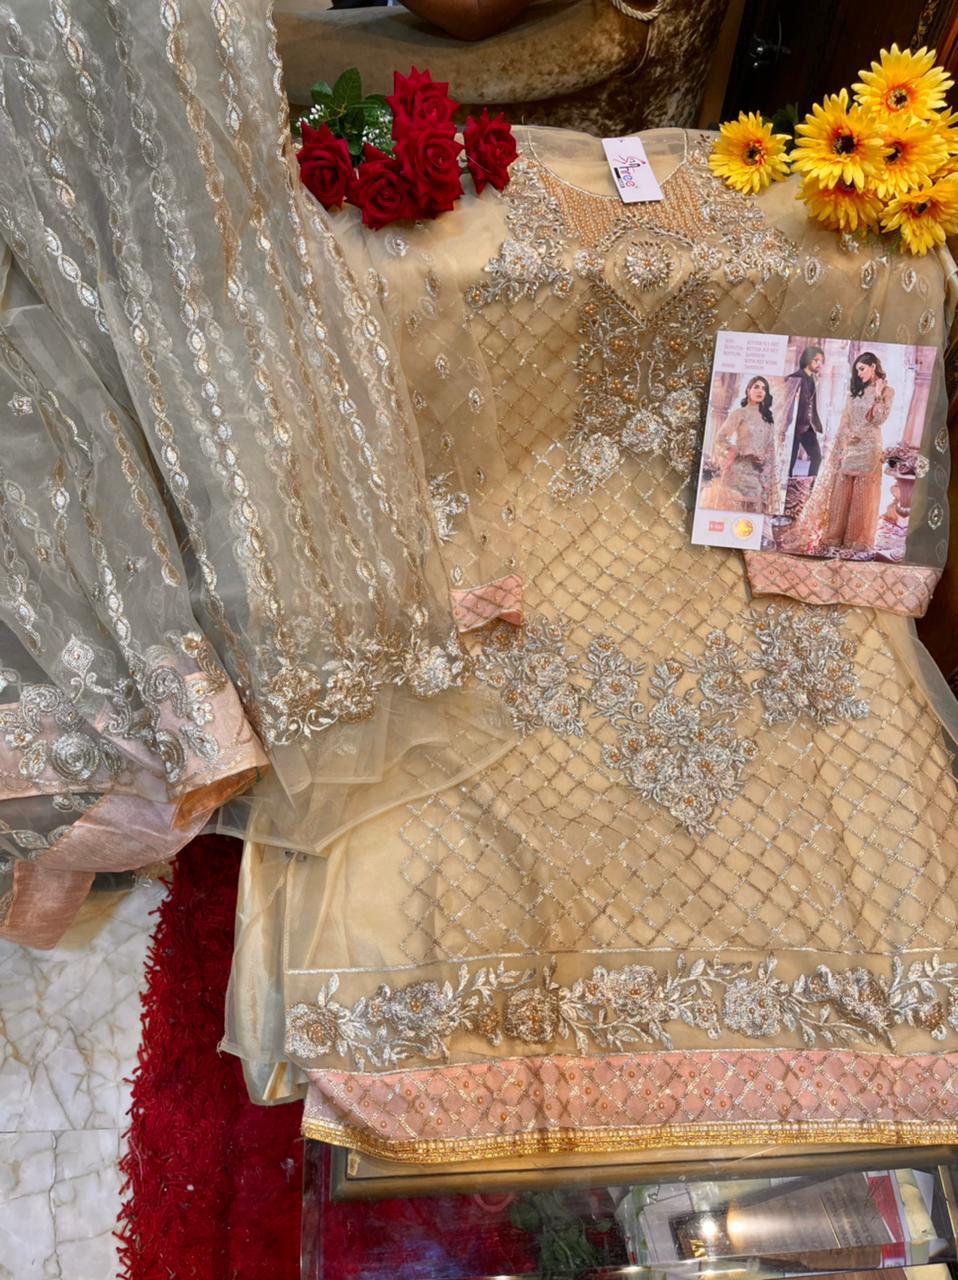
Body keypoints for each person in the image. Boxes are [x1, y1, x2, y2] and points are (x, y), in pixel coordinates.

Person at [823, 352, 894, 553]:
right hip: (851, 447)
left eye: (862, 369)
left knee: (863, 497)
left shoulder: (887, 391)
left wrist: (878, 394)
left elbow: (879, 419)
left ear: (873, 366)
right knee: (842, 494)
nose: (859, 374)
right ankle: (835, 538)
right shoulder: (854, 392)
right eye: (857, 371)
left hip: (870, 448)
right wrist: (848, 435)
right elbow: (845, 420)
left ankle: (856, 541)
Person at [705, 375, 778, 513]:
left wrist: (765, 462)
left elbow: (771, 447)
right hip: (739, 474)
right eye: (756, 387)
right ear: (748, 390)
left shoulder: (768, 418)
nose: (760, 391)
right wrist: (741, 453)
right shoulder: (740, 413)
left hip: (759, 475)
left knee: (754, 515)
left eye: (764, 388)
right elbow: (720, 438)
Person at [785, 345, 825, 479]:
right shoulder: (795, 377)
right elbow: (787, 404)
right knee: (790, 459)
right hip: (794, 425)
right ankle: (787, 487)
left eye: (821, 361)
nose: (819, 364)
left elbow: (811, 404)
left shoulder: (813, 379)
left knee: (817, 456)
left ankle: (810, 488)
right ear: (807, 359)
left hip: (808, 426)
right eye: (816, 360)